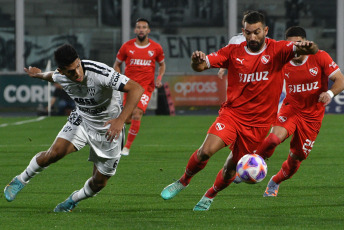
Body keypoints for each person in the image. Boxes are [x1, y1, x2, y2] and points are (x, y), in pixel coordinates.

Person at [160, 11, 318, 211]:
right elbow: (200, 66)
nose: (252, 37)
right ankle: (183, 181)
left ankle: (210, 195)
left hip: (258, 125)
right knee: (205, 151)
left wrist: (308, 46)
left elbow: (311, 50)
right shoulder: (233, 51)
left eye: (257, 32)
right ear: (243, 31)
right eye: (249, 32)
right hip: (232, 115)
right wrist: (196, 60)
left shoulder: (279, 49)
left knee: (230, 169)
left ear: (265, 31)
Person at [3, 44, 144, 212]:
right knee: (53, 154)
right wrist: (37, 75)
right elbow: (51, 76)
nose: (77, 73)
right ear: (62, 71)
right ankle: (20, 180)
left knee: (99, 182)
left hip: (109, 127)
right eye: (70, 71)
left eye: (77, 66)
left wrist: (120, 120)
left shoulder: (100, 73)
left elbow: (136, 88)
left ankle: (73, 199)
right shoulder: (61, 76)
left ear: (79, 60)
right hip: (82, 119)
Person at [253, 26, 344, 197]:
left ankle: (275, 181)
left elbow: (340, 80)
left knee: (296, 158)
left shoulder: (320, 56)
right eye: (290, 45)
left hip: (312, 116)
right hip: (291, 108)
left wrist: (330, 93)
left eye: (298, 44)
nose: (294, 49)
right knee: (273, 139)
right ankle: (252, 164)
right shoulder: (283, 59)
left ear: (305, 43)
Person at [113, 18, 166, 156]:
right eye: (139, 27)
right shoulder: (127, 47)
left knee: (137, 113)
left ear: (148, 30)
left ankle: (126, 148)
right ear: (135, 30)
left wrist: (159, 78)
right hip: (129, 87)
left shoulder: (156, 48)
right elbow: (117, 64)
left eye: (144, 27)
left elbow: (162, 65)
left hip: (145, 88)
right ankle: (118, 140)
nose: (141, 29)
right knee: (127, 118)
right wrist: (118, 80)